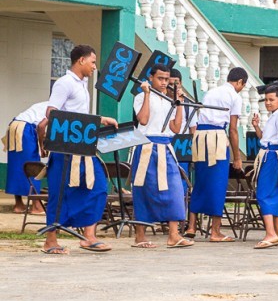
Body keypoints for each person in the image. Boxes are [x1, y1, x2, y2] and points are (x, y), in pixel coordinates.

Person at [37, 45, 118, 254]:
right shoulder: (65, 83)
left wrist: (100, 120)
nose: (94, 66)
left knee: (98, 186)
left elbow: (78, 114)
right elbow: (51, 111)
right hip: (65, 148)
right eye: (92, 62)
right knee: (59, 191)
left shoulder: (83, 84)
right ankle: (51, 240)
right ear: (81, 60)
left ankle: (89, 236)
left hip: (85, 148)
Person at [130, 64, 193, 249]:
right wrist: (148, 94)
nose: (164, 83)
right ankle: (140, 236)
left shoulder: (169, 100)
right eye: (160, 78)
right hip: (146, 147)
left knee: (175, 188)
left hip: (166, 147)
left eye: (166, 79)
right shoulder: (141, 96)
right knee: (143, 190)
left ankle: (174, 234)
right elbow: (143, 120)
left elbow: (175, 128)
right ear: (151, 78)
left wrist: (179, 104)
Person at [184, 68, 246, 242]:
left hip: (200, 136)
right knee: (218, 184)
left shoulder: (211, 92)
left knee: (200, 182)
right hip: (217, 137)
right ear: (240, 82)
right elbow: (233, 129)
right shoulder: (235, 96)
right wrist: (237, 157)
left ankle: (191, 226)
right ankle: (215, 231)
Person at [250, 85, 278, 249]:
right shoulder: (274, 116)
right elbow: (265, 138)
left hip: (274, 157)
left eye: (271, 100)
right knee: (273, 194)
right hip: (269, 154)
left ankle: (271, 233)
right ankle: (276, 234)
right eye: (266, 100)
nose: (268, 103)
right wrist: (257, 127)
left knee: (263, 194)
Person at [3, 101, 48, 214]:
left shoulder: (48, 103)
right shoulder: (58, 106)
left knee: (17, 166)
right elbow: (41, 126)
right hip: (25, 129)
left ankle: (19, 205)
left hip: (15, 126)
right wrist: (42, 147)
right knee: (32, 165)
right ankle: (36, 206)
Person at [169, 68, 194, 191]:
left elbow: (193, 129)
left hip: (182, 145)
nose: (173, 87)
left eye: (176, 83)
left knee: (181, 180)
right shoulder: (162, 100)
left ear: (181, 83)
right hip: (165, 143)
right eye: (170, 83)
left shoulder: (188, 103)